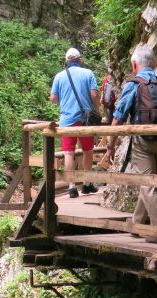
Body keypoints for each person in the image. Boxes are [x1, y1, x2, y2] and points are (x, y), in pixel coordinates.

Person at [106, 45, 157, 237]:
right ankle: (137, 224)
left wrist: (111, 145)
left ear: (135, 64)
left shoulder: (134, 85)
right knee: (151, 184)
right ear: (155, 64)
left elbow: (118, 117)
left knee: (147, 184)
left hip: (143, 141)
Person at [49, 47, 100, 198]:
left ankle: (71, 187)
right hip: (85, 120)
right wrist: (96, 108)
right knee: (88, 151)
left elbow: (53, 98)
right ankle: (86, 183)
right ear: (80, 60)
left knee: (68, 153)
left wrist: (63, 102)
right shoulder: (88, 73)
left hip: (67, 120)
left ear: (66, 61)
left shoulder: (59, 76)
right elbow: (94, 94)